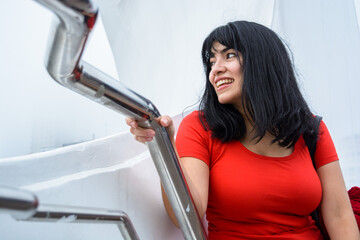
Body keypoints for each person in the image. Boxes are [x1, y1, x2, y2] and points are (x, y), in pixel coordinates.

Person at [126, 21, 360, 239]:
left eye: (229, 56)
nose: (215, 70)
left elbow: (339, 215)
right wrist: (165, 145)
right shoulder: (200, 127)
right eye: (211, 61)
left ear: (263, 62)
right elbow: (186, 212)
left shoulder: (310, 129)